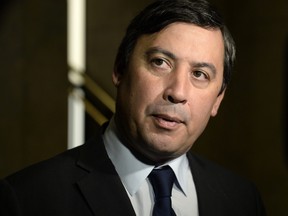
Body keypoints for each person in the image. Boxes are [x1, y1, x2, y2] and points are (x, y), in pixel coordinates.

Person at [0, 0, 266, 215]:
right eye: (160, 62)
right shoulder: (27, 199)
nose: (177, 92)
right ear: (120, 68)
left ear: (217, 100)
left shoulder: (242, 199)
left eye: (199, 74)